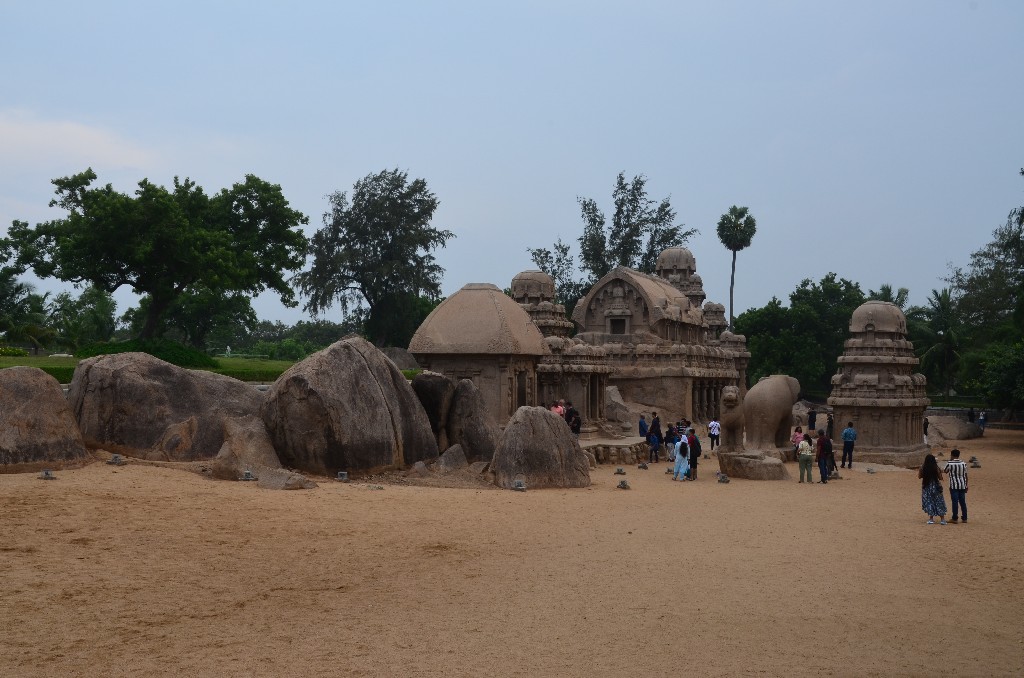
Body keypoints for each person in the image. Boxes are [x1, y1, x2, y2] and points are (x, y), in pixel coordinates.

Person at [918, 453, 948, 524]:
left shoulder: (922, 467)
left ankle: (931, 519)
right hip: (936, 486)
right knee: (939, 501)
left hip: (926, 486)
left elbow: (919, 476)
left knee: (929, 501)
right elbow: (940, 478)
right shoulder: (936, 467)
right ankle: (942, 519)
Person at [944, 448, 968, 523]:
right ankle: (964, 518)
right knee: (962, 502)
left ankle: (955, 518)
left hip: (953, 485)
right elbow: (966, 475)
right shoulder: (964, 463)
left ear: (952, 455)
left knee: (955, 501)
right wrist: (966, 485)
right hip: (962, 485)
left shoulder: (950, 463)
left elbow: (945, 471)